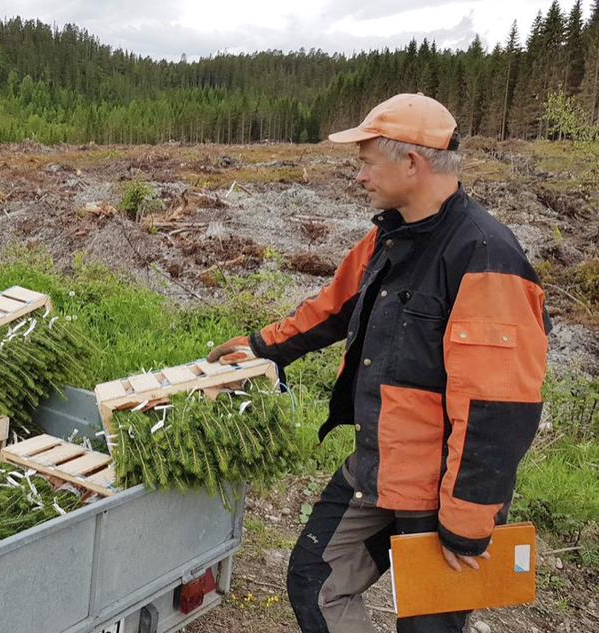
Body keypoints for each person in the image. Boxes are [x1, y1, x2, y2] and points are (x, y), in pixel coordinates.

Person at [207, 93, 550, 633]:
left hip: (440, 495)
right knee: (315, 580)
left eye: (367, 162)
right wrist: (264, 347)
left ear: (411, 161)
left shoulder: (485, 256)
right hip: (379, 468)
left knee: (427, 625)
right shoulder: (388, 237)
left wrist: (467, 517)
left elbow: (499, 405)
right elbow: (332, 307)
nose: (361, 176)